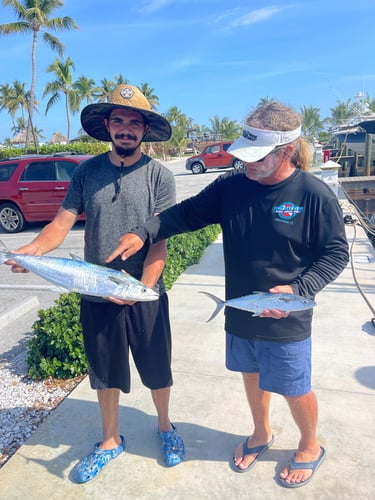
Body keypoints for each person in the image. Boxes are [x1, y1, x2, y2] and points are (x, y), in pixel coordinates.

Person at [106, 101, 349, 488]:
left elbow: (337, 253)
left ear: (285, 151)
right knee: (250, 375)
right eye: (245, 155)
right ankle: (261, 432)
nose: (247, 164)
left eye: (256, 157)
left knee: (292, 385)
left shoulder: (313, 194)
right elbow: (183, 214)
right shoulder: (231, 186)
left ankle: (309, 445)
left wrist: (298, 290)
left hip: (287, 314)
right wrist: (144, 232)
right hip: (240, 309)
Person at [7, 84, 185, 483]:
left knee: (157, 367)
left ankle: (165, 427)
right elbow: (61, 223)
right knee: (104, 372)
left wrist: (141, 290)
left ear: (144, 130)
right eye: (118, 121)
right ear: (107, 127)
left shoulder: (159, 175)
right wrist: (34, 249)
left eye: (133, 123)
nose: (126, 129)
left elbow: (161, 242)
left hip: (145, 292)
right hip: (96, 290)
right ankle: (109, 439)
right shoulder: (87, 172)